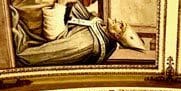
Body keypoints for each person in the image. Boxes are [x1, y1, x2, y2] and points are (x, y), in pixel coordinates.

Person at [10, 0, 146, 66]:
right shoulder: (100, 27)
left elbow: (54, 38)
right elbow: (78, 13)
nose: (118, 20)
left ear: (116, 36)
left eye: (120, 25)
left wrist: (61, 5)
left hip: (37, 30)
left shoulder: (87, 43)